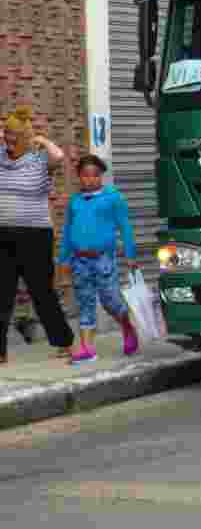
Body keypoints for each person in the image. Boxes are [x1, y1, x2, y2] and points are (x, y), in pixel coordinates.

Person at [0, 106, 75, 364]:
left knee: (42, 291)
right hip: (3, 234)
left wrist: (41, 139)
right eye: (6, 134)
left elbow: (59, 156)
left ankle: (63, 342)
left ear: (25, 137)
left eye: (14, 135)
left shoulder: (38, 160)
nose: (8, 139)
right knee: (2, 293)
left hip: (35, 236)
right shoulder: (0, 157)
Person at [58, 155, 140, 365]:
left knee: (110, 301)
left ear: (101, 176)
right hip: (79, 261)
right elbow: (67, 231)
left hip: (103, 259)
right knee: (85, 302)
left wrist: (130, 255)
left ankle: (126, 326)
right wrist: (63, 259)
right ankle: (87, 348)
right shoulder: (75, 201)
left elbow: (125, 227)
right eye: (85, 175)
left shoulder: (113, 198)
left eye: (94, 175)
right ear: (79, 177)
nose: (89, 179)